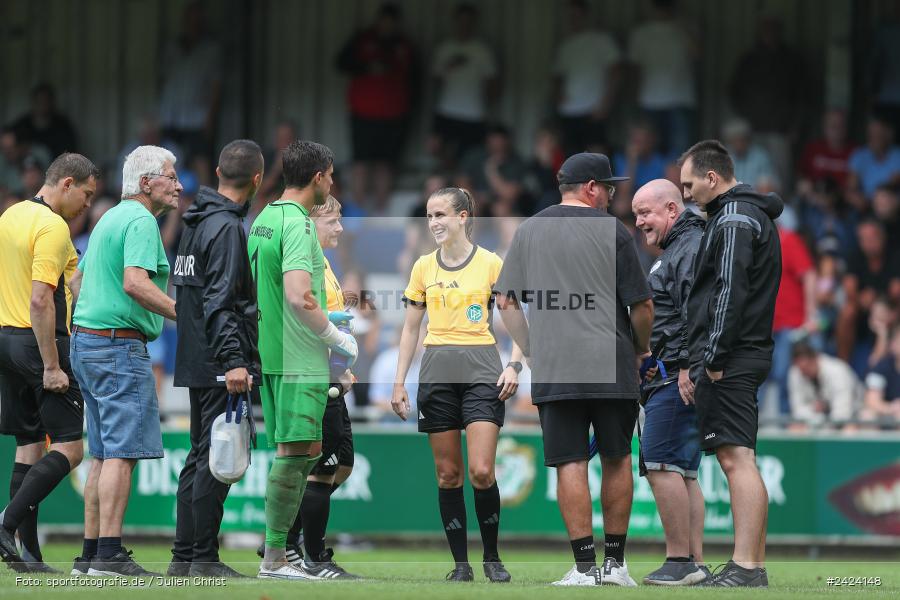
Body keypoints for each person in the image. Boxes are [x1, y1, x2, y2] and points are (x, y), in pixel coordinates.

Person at [495, 153, 653, 586]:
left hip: (557, 366)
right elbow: (641, 305)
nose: (610, 196)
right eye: (607, 188)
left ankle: (584, 568)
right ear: (590, 188)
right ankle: (616, 567)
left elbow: (506, 301)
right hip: (612, 361)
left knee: (570, 463)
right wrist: (641, 348)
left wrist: (531, 350)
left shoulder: (529, 230)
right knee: (618, 460)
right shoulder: (613, 232)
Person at [393, 187, 521, 583]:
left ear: (463, 217)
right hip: (436, 375)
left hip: (483, 371)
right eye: (429, 216)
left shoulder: (491, 263)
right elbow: (410, 329)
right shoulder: (422, 268)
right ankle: (461, 565)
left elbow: (517, 320)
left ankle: (493, 558)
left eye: (441, 214)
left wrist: (515, 364)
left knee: (482, 471)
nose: (433, 223)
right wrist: (399, 383)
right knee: (449, 475)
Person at [69, 145, 181, 577]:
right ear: (147, 181)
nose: (178, 184)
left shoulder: (108, 218)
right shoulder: (139, 221)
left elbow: (77, 281)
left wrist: (94, 319)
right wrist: (185, 314)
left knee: (100, 453)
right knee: (121, 453)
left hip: (88, 342)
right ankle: (110, 555)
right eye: (171, 176)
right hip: (117, 346)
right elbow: (136, 283)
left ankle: (91, 554)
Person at [249, 141, 358, 580]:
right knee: (296, 455)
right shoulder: (297, 225)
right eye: (330, 176)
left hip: (273, 351)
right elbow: (298, 294)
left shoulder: (264, 219)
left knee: (307, 451)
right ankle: (276, 558)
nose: (331, 183)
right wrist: (335, 336)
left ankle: (283, 555)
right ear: (318, 177)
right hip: (299, 357)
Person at [678, 140, 783, 587]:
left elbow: (729, 291)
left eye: (688, 185)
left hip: (732, 355)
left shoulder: (735, 218)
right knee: (743, 457)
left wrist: (714, 357)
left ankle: (744, 566)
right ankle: (751, 566)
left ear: (712, 178)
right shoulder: (745, 214)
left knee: (735, 458)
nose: (686, 194)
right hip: (748, 350)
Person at [166, 140, 265, 578]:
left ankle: (183, 556)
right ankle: (204, 558)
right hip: (218, 361)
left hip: (193, 355)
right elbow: (221, 302)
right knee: (216, 459)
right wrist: (233, 361)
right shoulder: (225, 227)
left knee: (199, 455)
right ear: (258, 179)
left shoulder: (194, 222)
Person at [0, 153, 98, 572]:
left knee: (28, 446)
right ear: (67, 183)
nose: (88, 205)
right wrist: (52, 365)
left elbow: (54, 284)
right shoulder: (53, 226)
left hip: (5, 339)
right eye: (87, 195)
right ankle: (5, 523)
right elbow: (42, 300)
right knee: (70, 449)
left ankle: (29, 556)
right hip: (37, 343)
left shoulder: (11, 216)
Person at [631, 179, 708, 585]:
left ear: (672, 210)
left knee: (661, 462)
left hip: (674, 379)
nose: (639, 221)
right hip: (674, 375)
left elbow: (695, 312)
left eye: (646, 212)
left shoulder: (687, 247)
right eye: (636, 214)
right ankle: (694, 561)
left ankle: (679, 561)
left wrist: (682, 365)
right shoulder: (680, 248)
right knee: (683, 470)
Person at [336, 3, 418, 211]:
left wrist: (409, 110)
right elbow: (341, 63)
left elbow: (415, 80)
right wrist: (367, 67)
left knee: (385, 163)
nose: (387, 26)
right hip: (363, 111)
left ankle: (381, 211)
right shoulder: (363, 40)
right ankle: (358, 213)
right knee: (361, 162)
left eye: (391, 23)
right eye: (384, 22)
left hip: (394, 113)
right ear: (378, 21)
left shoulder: (404, 45)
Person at [430, 3, 499, 166]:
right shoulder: (445, 48)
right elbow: (435, 79)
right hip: (446, 108)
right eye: (461, 21)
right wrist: (450, 66)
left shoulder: (481, 50)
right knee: (435, 147)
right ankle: (448, 180)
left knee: (471, 156)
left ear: (474, 23)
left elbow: (492, 80)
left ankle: (462, 187)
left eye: (468, 22)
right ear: (455, 22)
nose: (464, 25)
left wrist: (487, 103)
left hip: (473, 111)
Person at [627, 0, 697, 156]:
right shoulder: (641, 33)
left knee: (681, 153)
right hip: (649, 99)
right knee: (650, 153)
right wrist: (636, 96)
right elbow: (635, 68)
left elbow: (697, 54)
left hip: (679, 98)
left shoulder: (684, 29)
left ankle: (678, 181)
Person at [552, 0, 621, 155]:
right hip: (569, 110)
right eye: (571, 16)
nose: (574, 19)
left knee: (597, 153)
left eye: (577, 15)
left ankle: (598, 181)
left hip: (594, 108)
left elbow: (615, 71)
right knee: (571, 155)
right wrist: (558, 96)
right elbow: (558, 76)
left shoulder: (601, 40)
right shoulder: (565, 45)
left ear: (586, 15)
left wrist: (606, 102)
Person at [789, 341, 862, 430]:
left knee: (849, 429)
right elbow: (797, 411)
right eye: (801, 369)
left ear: (815, 358)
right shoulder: (796, 372)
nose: (804, 372)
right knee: (795, 428)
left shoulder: (838, 371)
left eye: (806, 367)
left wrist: (821, 426)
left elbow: (842, 414)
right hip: (817, 419)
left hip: (853, 416)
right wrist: (813, 408)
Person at [10, 83, 78, 159]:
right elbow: (8, 142)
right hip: (23, 168)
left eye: (45, 101)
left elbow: (70, 155)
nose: (43, 105)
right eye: (39, 101)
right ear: (33, 102)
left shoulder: (63, 126)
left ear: (52, 102)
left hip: (53, 168)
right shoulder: (23, 124)